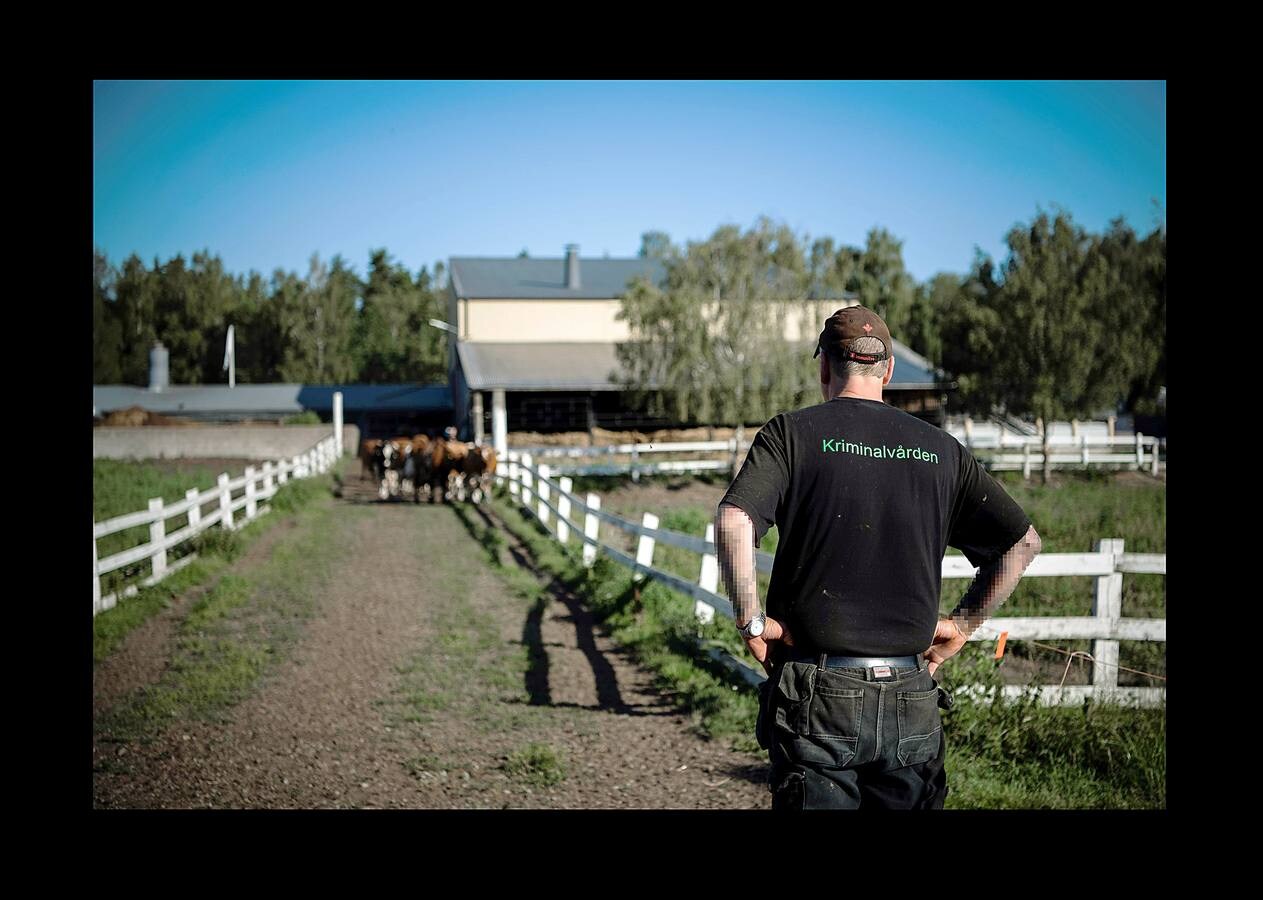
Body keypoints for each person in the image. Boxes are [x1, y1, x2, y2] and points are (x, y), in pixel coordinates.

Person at [714, 306, 1042, 810]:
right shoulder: (940, 450)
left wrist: (752, 622)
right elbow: (1022, 544)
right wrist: (964, 623)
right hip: (911, 693)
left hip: (816, 696)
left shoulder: (790, 435)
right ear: (887, 371)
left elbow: (734, 522)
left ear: (824, 366)